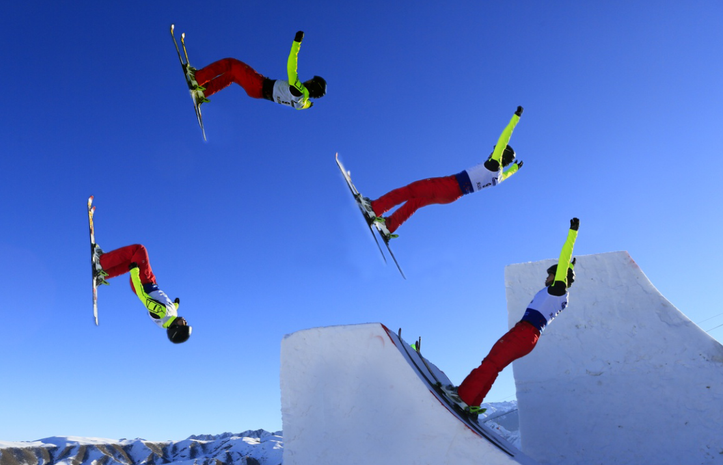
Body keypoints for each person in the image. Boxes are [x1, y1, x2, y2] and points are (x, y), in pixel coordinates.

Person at [450, 218, 580, 414]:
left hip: (524, 332)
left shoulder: (557, 288)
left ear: (559, 276)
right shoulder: (561, 295)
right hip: (528, 336)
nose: (547, 277)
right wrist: (570, 266)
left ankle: (463, 397)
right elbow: (565, 265)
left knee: (492, 362)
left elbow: (564, 257)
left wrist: (572, 233)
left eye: (550, 274)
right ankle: (473, 401)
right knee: (494, 365)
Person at [363, 106, 524, 239]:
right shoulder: (499, 176)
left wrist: (515, 118)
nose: (492, 152)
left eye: (496, 150)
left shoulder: (494, 163)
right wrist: (515, 168)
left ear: (502, 155)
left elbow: (505, 137)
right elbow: (509, 174)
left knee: (410, 190)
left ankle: (375, 208)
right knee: (416, 202)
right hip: (453, 196)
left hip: (450, 185)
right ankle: (389, 226)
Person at [191, 31, 326, 109]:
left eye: (311, 81)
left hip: (258, 84)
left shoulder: (299, 90)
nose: (308, 80)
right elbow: (308, 105)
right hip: (258, 93)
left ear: (312, 85)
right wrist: (310, 104)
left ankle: (198, 78)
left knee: (230, 63)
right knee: (231, 75)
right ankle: (204, 92)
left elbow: (291, 67)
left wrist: (297, 43)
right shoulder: (302, 103)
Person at [93, 244, 191, 344]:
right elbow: (171, 309)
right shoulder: (171, 317)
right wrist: (176, 304)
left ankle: (102, 261)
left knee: (139, 250)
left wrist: (135, 272)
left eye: (184, 325)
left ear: (176, 327)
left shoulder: (161, 312)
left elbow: (142, 296)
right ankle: (103, 275)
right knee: (132, 259)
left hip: (142, 282)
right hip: (151, 282)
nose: (185, 322)